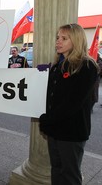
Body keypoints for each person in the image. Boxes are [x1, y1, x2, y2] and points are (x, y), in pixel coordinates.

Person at [39, 23, 99, 185]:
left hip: (72, 132)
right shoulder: (57, 65)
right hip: (54, 129)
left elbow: (72, 103)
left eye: (64, 38)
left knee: (70, 175)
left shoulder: (87, 66)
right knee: (56, 169)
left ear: (76, 41)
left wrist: (47, 120)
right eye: (58, 37)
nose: (58, 41)